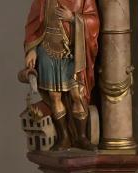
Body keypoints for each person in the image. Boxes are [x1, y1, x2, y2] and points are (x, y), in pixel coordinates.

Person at [23, 0, 100, 149]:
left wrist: (73, 18)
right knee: (54, 96)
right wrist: (31, 50)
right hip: (47, 50)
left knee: (77, 94)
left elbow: (94, 21)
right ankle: (63, 137)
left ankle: (81, 137)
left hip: (72, 52)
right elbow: (33, 24)